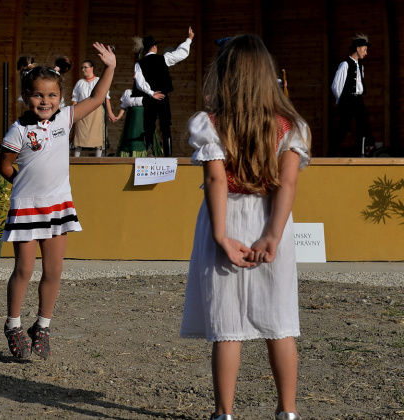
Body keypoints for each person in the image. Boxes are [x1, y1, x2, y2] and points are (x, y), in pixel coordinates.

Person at [179, 34, 311, 420]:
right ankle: (287, 412)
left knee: (227, 325)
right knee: (280, 322)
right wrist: (272, 233)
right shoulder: (291, 126)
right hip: (273, 221)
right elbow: (287, 183)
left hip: (227, 220)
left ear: (225, 75)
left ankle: (225, 414)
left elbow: (217, 181)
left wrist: (221, 236)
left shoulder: (210, 124)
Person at [0, 43, 116, 359]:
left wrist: (111, 68)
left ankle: (43, 326)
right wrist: (19, 182)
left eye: (52, 95)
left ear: (61, 98)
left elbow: (95, 98)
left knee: (53, 271)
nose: (45, 101)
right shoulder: (18, 129)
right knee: (23, 269)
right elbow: (4, 166)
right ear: (26, 97)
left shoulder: (65, 118)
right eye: (38, 95)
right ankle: (13, 325)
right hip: (25, 207)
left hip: (58, 206)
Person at [134, 27, 194, 157]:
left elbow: (139, 82)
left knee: (149, 124)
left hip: (149, 98)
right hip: (163, 96)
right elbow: (181, 53)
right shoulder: (164, 59)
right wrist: (189, 39)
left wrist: (151, 93)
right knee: (165, 124)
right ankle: (168, 153)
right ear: (154, 47)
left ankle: (149, 149)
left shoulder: (139, 63)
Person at [329, 34, 372, 157]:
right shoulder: (345, 65)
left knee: (364, 124)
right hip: (347, 99)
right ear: (357, 49)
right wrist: (341, 100)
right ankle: (331, 152)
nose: (366, 53)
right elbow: (336, 85)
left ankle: (360, 152)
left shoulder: (360, 66)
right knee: (344, 126)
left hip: (358, 99)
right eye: (364, 50)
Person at [71, 60, 117, 157]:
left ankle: (98, 159)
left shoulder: (98, 81)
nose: (83, 69)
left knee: (97, 136)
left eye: (85, 67)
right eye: (82, 68)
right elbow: (75, 99)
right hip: (82, 110)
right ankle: (76, 160)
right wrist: (73, 113)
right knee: (79, 136)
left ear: (92, 68)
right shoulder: (80, 83)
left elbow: (105, 98)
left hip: (97, 111)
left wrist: (110, 113)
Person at [114, 87, 162, 157]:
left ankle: (147, 153)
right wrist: (118, 117)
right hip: (131, 120)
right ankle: (129, 155)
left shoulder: (148, 92)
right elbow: (123, 106)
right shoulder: (127, 92)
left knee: (144, 138)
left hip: (144, 118)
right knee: (130, 138)